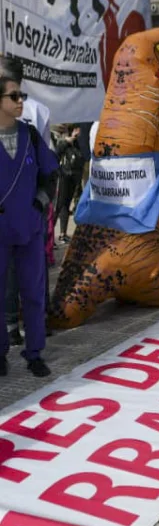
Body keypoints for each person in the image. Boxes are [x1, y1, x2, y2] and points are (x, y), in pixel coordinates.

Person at [0, 61, 58, 377]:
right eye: (14, 96)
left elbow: (51, 175)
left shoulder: (32, 136)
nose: (21, 101)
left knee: (33, 294)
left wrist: (40, 205)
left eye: (21, 95)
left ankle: (34, 352)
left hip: (30, 229)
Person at [54, 125, 85, 243]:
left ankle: (63, 234)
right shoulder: (60, 140)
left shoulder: (76, 143)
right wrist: (69, 139)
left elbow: (81, 157)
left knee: (65, 205)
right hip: (62, 176)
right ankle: (50, 237)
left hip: (72, 175)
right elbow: (57, 152)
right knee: (58, 205)